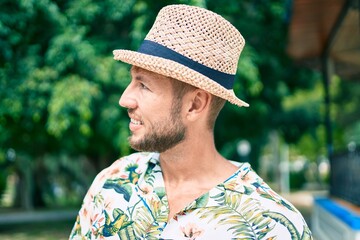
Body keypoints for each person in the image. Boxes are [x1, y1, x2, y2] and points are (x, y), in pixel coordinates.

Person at [70, 4, 312, 240]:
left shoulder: (270, 227)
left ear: (195, 105)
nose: (125, 99)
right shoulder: (113, 182)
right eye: (132, 81)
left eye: (144, 85)